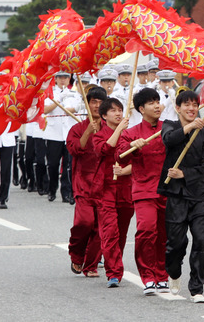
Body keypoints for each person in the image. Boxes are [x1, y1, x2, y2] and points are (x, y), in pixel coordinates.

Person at [157, 89, 204, 303]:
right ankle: (173, 272)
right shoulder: (169, 126)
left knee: (200, 240)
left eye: (195, 104)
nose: (191, 108)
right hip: (176, 194)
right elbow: (169, 141)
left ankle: (197, 287)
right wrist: (189, 127)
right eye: (187, 105)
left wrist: (184, 174)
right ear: (178, 108)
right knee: (176, 243)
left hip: (199, 194)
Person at [116, 87, 169, 296]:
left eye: (158, 101)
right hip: (144, 190)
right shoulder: (131, 133)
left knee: (165, 235)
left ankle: (162, 274)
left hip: (167, 189)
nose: (157, 106)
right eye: (151, 103)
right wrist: (132, 145)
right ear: (141, 108)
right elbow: (120, 157)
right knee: (147, 231)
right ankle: (147, 276)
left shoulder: (169, 129)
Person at [92, 98, 134, 288]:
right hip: (106, 190)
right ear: (104, 116)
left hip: (127, 189)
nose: (118, 113)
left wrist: (126, 170)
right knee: (110, 233)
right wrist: (119, 130)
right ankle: (114, 272)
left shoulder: (131, 135)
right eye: (113, 111)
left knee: (122, 233)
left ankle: (114, 263)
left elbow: (141, 161)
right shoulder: (98, 135)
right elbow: (105, 149)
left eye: (120, 110)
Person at [66, 86, 107, 277]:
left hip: (105, 184)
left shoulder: (111, 129)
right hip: (83, 183)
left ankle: (91, 265)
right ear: (87, 104)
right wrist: (88, 133)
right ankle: (76, 255)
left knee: (100, 227)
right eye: (93, 102)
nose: (97, 106)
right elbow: (75, 150)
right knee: (84, 222)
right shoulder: (77, 129)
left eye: (100, 102)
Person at [43, 71, 75, 202]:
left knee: (68, 164)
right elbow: (45, 110)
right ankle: (52, 189)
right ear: (55, 79)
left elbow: (74, 109)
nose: (63, 80)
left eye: (66, 78)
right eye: (60, 78)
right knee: (53, 164)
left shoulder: (74, 93)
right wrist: (58, 100)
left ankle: (66, 192)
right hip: (53, 133)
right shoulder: (50, 93)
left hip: (68, 133)